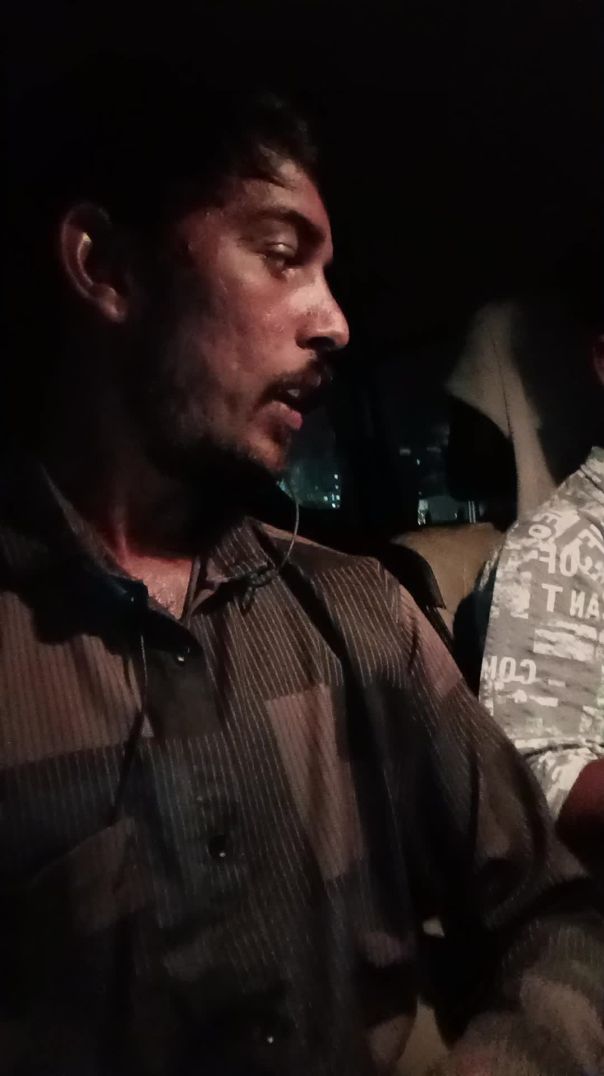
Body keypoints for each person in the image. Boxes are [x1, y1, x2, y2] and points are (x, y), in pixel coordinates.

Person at [3, 62, 604, 1076]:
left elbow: (560, 915)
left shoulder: (365, 616)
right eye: (281, 254)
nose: (335, 322)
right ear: (104, 266)